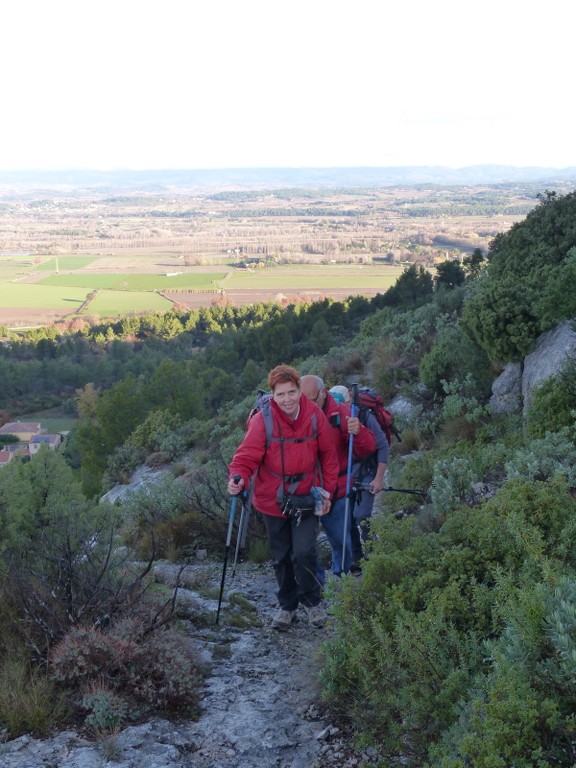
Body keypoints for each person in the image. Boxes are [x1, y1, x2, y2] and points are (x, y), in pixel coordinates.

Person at [228, 364, 339, 631]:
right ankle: (287, 607)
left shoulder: (314, 415)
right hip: (272, 499)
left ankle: (312, 602)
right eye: (281, 395)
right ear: (273, 395)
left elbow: (329, 456)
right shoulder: (262, 420)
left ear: (300, 390)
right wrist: (238, 477)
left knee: (304, 553)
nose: (287, 400)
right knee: (281, 556)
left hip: (306, 495)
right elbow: (246, 457)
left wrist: (328, 492)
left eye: (292, 392)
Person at [300, 375, 375, 576]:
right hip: (305, 489)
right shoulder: (296, 416)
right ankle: (316, 584)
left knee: (340, 540)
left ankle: (340, 578)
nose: (307, 406)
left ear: (323, 393)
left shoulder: (341, 413)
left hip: (336, 490)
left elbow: (368, 448)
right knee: (303, 545)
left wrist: (358, 432)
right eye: (302, 400)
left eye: (311, 400)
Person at [329, 385, 389, 573]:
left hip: (367, 472)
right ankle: (356, 557)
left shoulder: (364, 417)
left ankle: (373, 554)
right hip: (347, 474)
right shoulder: (333, 420)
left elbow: (382, 446)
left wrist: (378, 479)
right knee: (346, 517)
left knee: (361, 515)